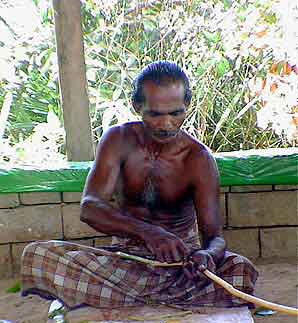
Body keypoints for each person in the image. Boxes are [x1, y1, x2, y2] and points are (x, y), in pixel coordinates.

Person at [21, 61, 258, 309]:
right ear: (138, 106)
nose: (166, 124)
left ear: (187, 106)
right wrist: (149, 233)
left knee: (240, 271)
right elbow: (89, 207)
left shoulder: (198, 158)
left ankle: (125, 299)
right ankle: (162, 300)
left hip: (180, 264)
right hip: (125, 258)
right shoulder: (118, 140)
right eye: (155, 114)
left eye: (176, 113)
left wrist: (206, 256)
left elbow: (214, 237)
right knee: (38, 255)